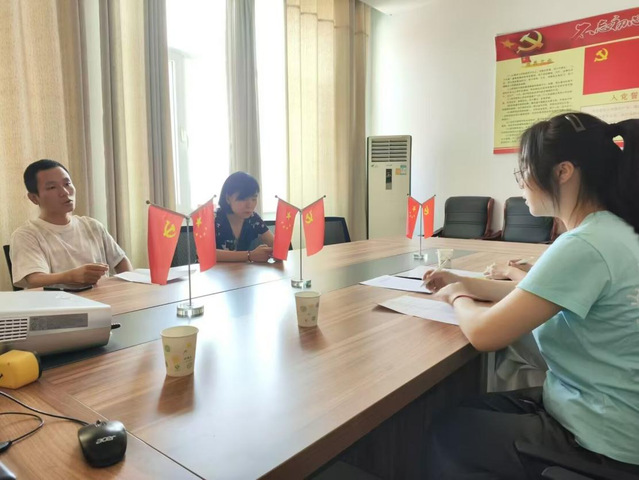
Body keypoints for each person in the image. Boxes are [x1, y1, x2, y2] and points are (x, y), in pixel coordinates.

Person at [423, 112, 639, 478]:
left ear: (563, 171)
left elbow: (484, 334)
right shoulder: (612, 231)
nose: (521, 182)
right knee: (468, 410)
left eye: (524, 169)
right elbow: (537, 294)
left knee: (450, 431)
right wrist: (463, 281)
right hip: (610, 415)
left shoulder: (585, 244)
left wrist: (458, 297)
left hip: (602, 439)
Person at [10, 159, 133, 289]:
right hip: (59, 301)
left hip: (102, 298)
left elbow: (121, 261)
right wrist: (71, 277)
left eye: (67, 184)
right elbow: (34, 279)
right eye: (52, 187)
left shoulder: (92, 225)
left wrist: (129, 288)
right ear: (34, 198)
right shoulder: (27, 235)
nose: (64, 192)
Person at [215, 172, 274, 263]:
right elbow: (205, 253)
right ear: (228, 198)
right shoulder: (214, 219)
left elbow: (274, 243)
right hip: (211, 271)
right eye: (242, 199)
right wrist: (250, 255)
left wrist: (277, 252)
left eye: (254, 199)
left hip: (240, 270)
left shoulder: (253, 218)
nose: (249, 205)